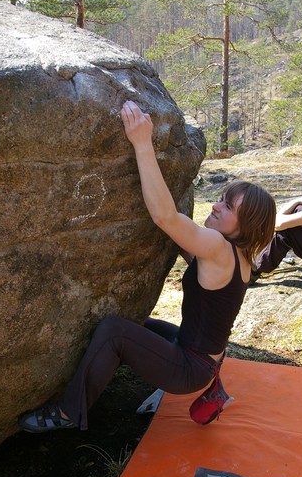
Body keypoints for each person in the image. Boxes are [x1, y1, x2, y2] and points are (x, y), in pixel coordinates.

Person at [18, 100, 276, 433]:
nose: (215, 206)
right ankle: (97, 375)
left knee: (114, 331)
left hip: (190, 367)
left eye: (227, 208)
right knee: (136, 322)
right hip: (201, 357)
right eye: (221, 199)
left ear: (246, 225)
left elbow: (164, 217)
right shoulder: (238, 257)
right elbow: (185, 245)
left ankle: (68, 413)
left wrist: (142, 143)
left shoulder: (218, 248)